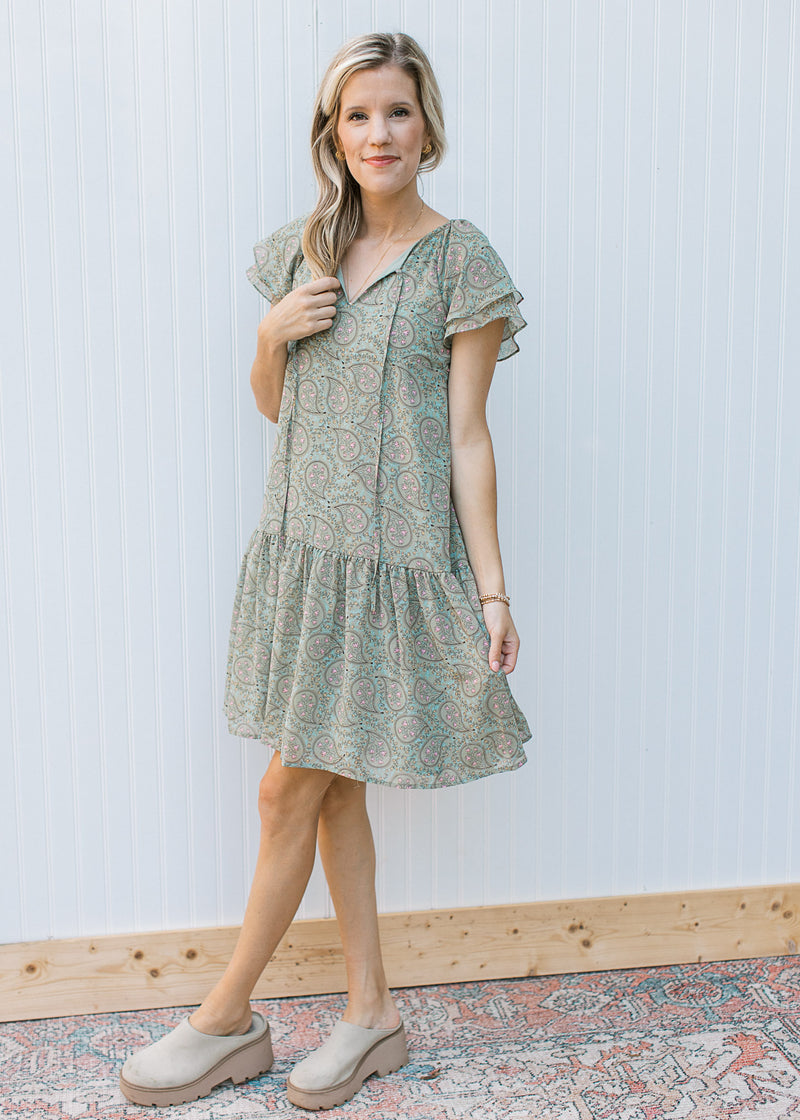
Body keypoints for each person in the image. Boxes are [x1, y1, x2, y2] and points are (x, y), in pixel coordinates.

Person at [119, 29, 533, 1112]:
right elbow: (273, 403)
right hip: (304, 553)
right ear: (330, 133)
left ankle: (224, 1018)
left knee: (283, 787)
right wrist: (268, 336)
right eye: (356, 115)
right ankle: (369, 1012)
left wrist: (491, 589)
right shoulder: (298, 250)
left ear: (425, 126)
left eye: (395, 111)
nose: (377, 133)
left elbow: (468, 439)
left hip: (392, 563)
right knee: (331, 786)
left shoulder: (461, 263)